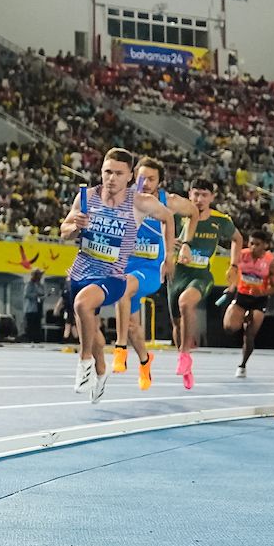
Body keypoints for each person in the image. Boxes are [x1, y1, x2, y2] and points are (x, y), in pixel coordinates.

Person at [58, 147, 188, 402]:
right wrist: (76, 227)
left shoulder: (141, 202)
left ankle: (85, 362)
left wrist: (169, 255)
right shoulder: (86, 197)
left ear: (130, 176)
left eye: (118, 173)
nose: (111, 178)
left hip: (116, 274)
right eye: (107, 172)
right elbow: (64, 231)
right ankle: (100, 369)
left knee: (83, 305)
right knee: (92, 331)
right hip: (83, 271)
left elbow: (168, 218)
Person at [170, 178, 234, 389]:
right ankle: (185, 364)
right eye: (196, 194)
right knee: (177, 324)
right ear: (189, 194)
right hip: (176, 275)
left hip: (202, 275)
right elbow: (161, 231)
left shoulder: (220, 221)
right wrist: (169, 242)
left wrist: (234, 265)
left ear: (212, 197)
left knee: (185, 302)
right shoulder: (178, 216)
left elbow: (238, 239)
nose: (199, 199)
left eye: (204, 195)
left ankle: (185, 354)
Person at [117, 159, 170, 389]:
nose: (145, 183)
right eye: (142, 178)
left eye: (151, 179)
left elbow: (194, 213)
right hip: (127, 267)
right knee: (131, 326)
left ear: (160, 182)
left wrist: (182, 245)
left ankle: (119, 349)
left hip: (150, 270)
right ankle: (145, 361)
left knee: (124, 286)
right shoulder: (124, 198)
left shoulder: (169, 201)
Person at [225, 228, 274, 379]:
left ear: (265, 245)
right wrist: (232, 285)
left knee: (249, 335)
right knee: (229, 327)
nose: (253, 247)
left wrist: (261, 292)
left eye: (257, 244)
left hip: (259, 299)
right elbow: (233, 272)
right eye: (251, 243)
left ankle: (242, 365)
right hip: (242, 296)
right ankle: (242, 317)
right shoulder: (241, 255)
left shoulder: (271, 262)